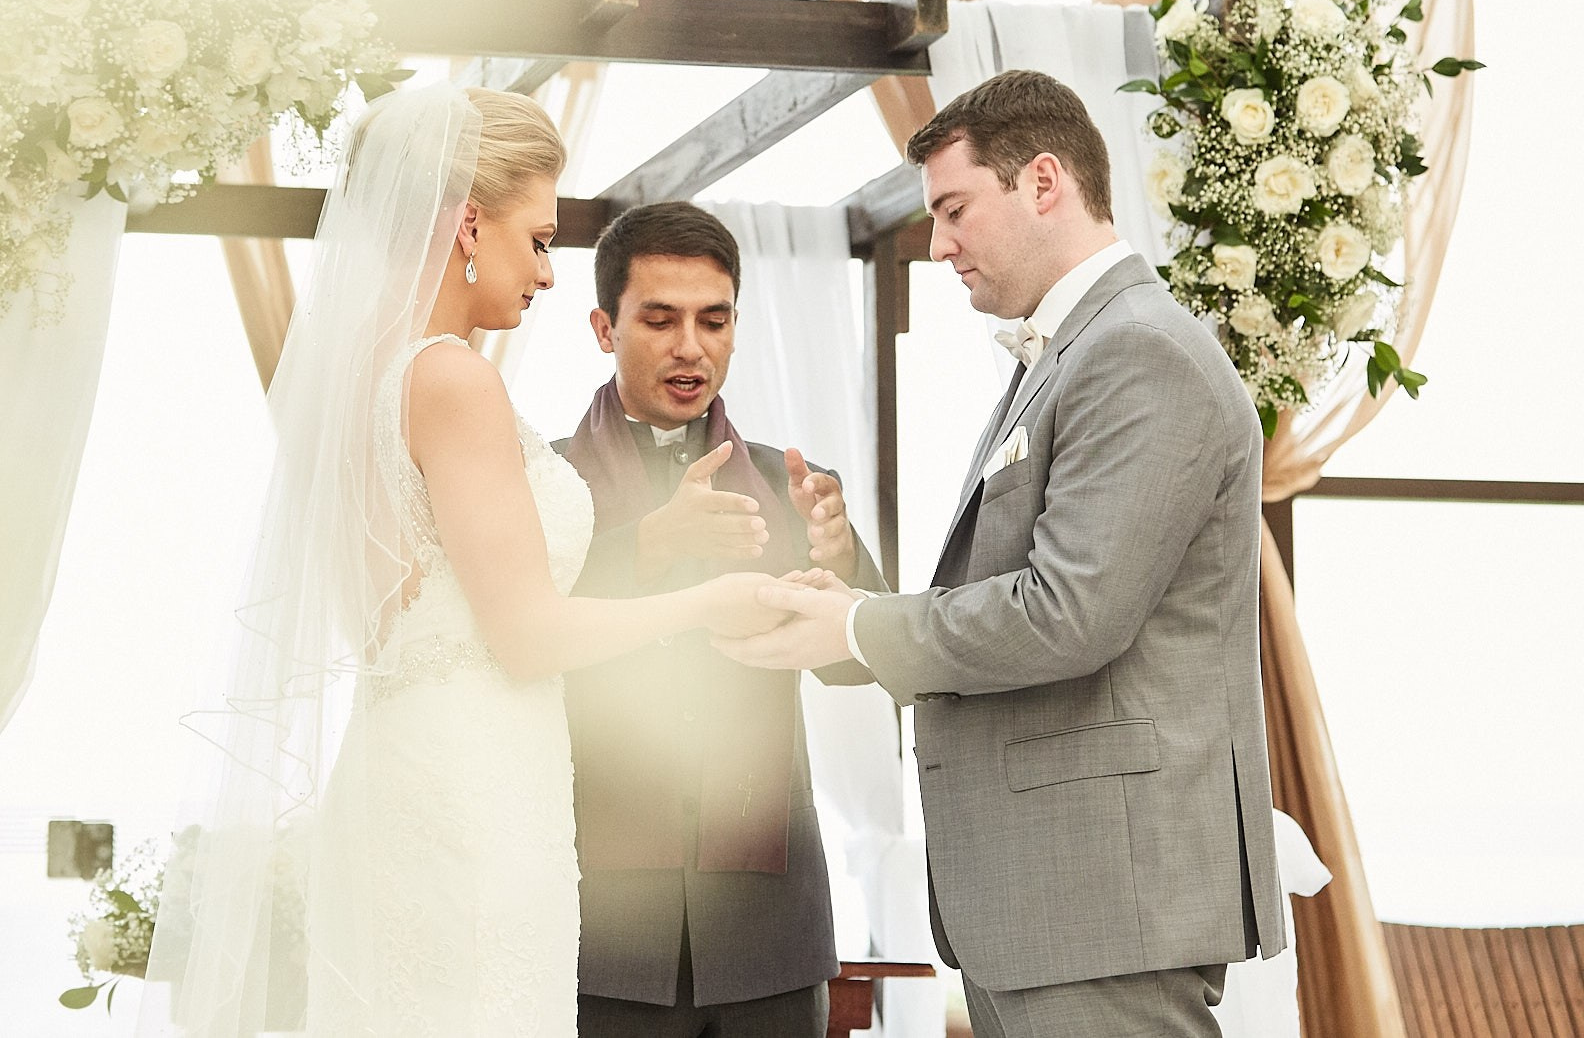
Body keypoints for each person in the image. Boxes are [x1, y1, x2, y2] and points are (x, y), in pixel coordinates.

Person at [140, 84, 799, 1038]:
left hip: (405, 758)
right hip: (477, 781)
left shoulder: (355, 378)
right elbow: (528, 635)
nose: (544, 274)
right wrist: (706, 599)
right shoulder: (451, 377)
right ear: (467, 224)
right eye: (537, 239)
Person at [716, 69, 1285, 1037]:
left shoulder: (1137, 350)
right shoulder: (1072, 354)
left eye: (951, 210)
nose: (936, 245)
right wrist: (841, 617)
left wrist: (855, 622)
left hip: (1102, 904)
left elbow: (1067, 614)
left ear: (1043, 182)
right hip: (1051, 902)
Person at [552, 202, 886, 1037]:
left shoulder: (794, 481)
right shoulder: (543, 483)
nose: (689, 347)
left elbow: (863, 665)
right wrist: (645, 549)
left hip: (767, 935)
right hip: (597, 931)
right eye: (659, 319)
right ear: (604, 326)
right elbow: (510, 635)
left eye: (714, 319)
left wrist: (842, 561)